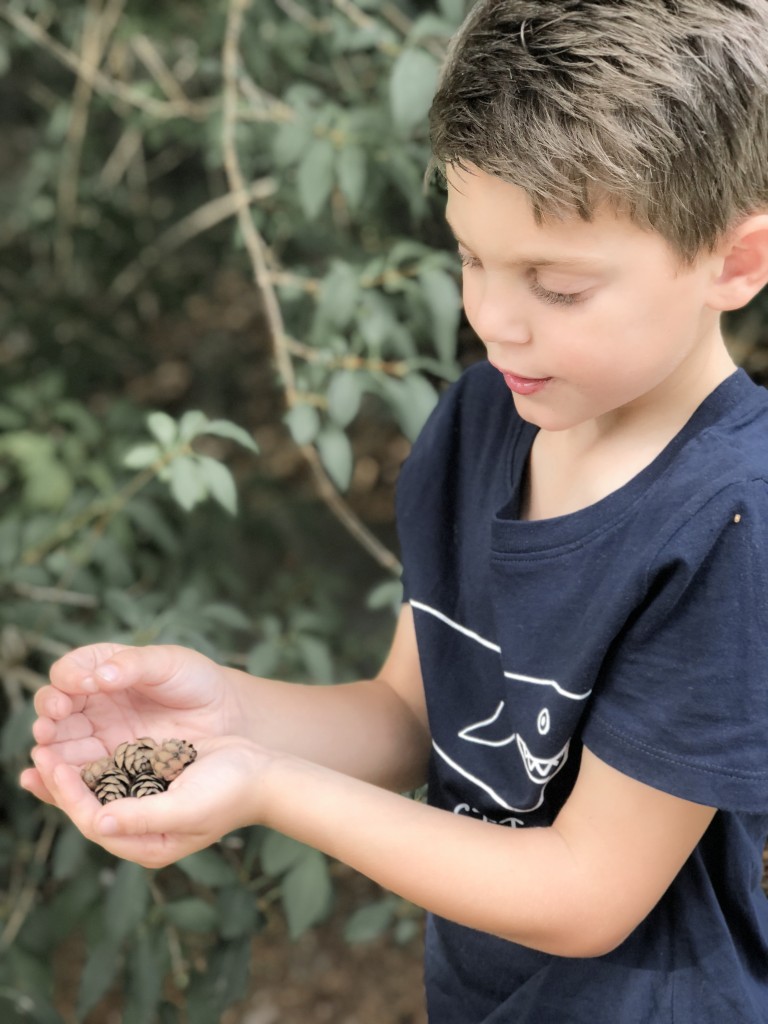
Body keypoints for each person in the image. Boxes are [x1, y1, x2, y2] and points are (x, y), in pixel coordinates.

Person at [21, 0, 768, 1020]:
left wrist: (267, 786)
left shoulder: (732, 516)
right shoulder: (479, 425)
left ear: (733, 263)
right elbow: (412, 716)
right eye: (471, 257)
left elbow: (589, 891)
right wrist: (228, 718)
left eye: (555, 285)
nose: (494, 319)